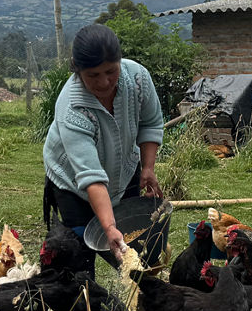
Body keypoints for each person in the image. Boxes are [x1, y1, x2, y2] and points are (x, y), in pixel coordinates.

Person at [43, 24, 165, 268]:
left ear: (120, 61)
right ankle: (84, 290)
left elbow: (151, 123)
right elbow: (91, 177)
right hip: (73, 183)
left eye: (111, 71)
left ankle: (133, 290)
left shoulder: (138, 79)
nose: (104, 82)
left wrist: (148, 168)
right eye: (93, 75)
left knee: (134, 253)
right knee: (78, 257)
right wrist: (109, 227)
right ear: (78, 70)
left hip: (124, 168)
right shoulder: (72, 108)